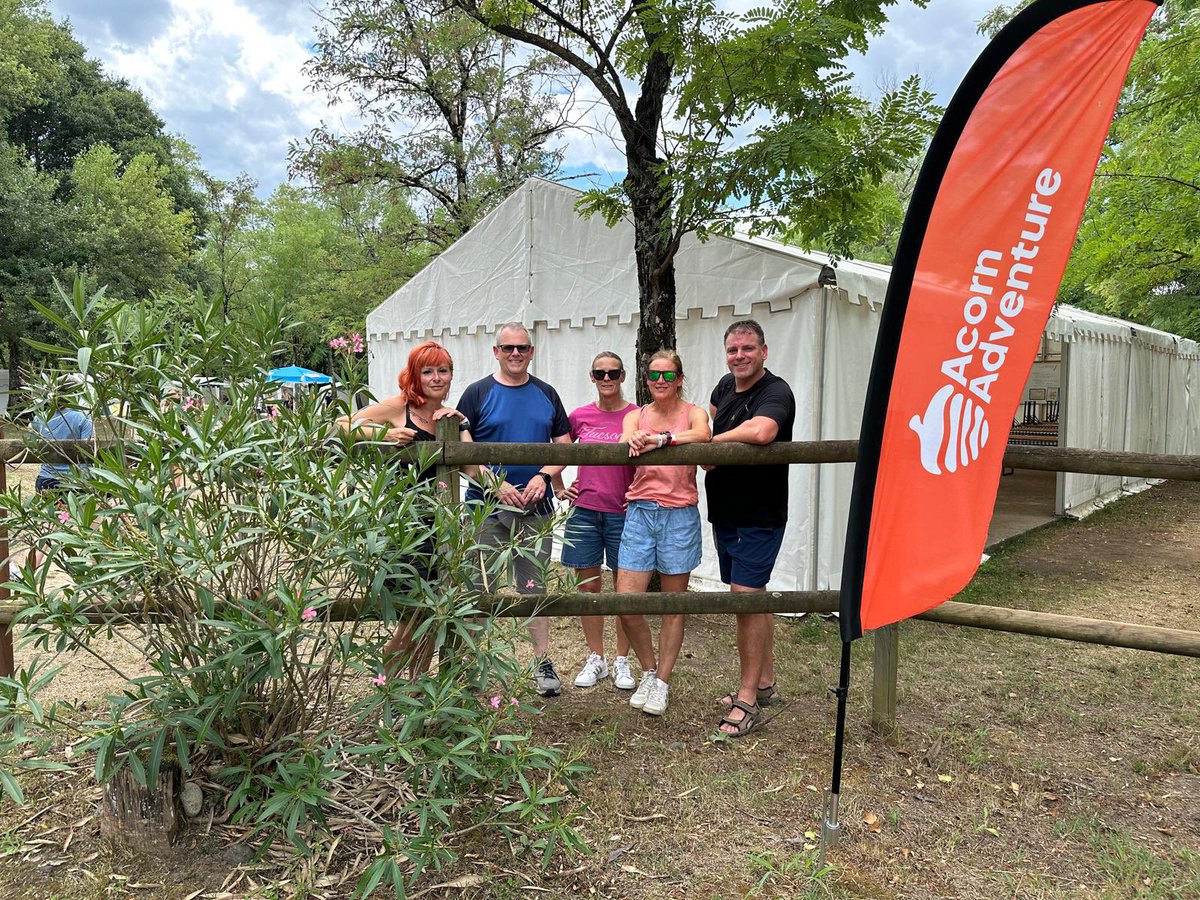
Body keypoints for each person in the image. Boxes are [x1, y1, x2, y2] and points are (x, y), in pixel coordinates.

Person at [336, 340, 466, 678]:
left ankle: (418, 691)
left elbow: (471, 465)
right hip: (405, 529)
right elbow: (341, 424)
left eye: (443, 370)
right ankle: (388, 690)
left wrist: (461, 424)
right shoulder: (400, 406)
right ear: (415, 375)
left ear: (451, 376)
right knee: (409, 621)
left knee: (431, 618)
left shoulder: (448, 418)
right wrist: (386, 433)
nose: (436, 378)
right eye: (428, 371)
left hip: (443, 530)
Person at [456, 323, 572, 697]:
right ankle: (471, 665)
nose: (515, 354)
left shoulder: (546, 394)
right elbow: (463, 450)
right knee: (476, 588)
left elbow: (564, 446)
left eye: (522, 348)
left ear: (532, 351)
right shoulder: (476, 393)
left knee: (534, 588)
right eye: (508, 348)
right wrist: (495, 485)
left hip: (536, 509)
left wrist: (544, 475)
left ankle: (542, 663)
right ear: (496, 351)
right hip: (485, 509)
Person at [705, 320, 796, 737]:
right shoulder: (725, 387)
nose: (739, 356)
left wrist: (713, 445)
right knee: (749, 597)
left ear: (764, 350)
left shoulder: (776, 391)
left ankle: (747, 697)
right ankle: (765, 680)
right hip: (725, 511)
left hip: (759, 514)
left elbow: (763, 430)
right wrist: (707, 444)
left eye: (747, 348)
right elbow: (706, 425)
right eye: (732, 349)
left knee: (745, 599)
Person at [616, 350, 711, 716]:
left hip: (678, 515)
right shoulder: (636, 415)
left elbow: (703, 435)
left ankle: (663, 682)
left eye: (668, 376)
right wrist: (638, 438)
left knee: (674, 604)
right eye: (654, 375)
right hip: (640, 512)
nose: (660, 381)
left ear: (680, 379)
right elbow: (629, 437)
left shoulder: (693, 412)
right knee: (627, 602)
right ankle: (649, 671)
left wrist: (663, 440)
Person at [555, 352, 638, 691]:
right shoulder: (579, 416)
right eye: (600, 373)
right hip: (586, 510)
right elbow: (557, 450)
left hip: (624, 511)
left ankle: (622, 659)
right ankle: (596, 657)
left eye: (613, 372)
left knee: (624, 590)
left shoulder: (636, 415)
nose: (607, 378)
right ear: (591, 376)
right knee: (588, 587)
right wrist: (559, 487)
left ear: (622, 376)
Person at [29, 390, 94, 569]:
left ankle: (27, 573)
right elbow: (89, 452)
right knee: (93, 527)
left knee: (46, 529)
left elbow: (32, 443)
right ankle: (101, 571)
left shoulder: (40, 418)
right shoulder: (82, 418)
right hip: (76, 482)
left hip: (46, 480)